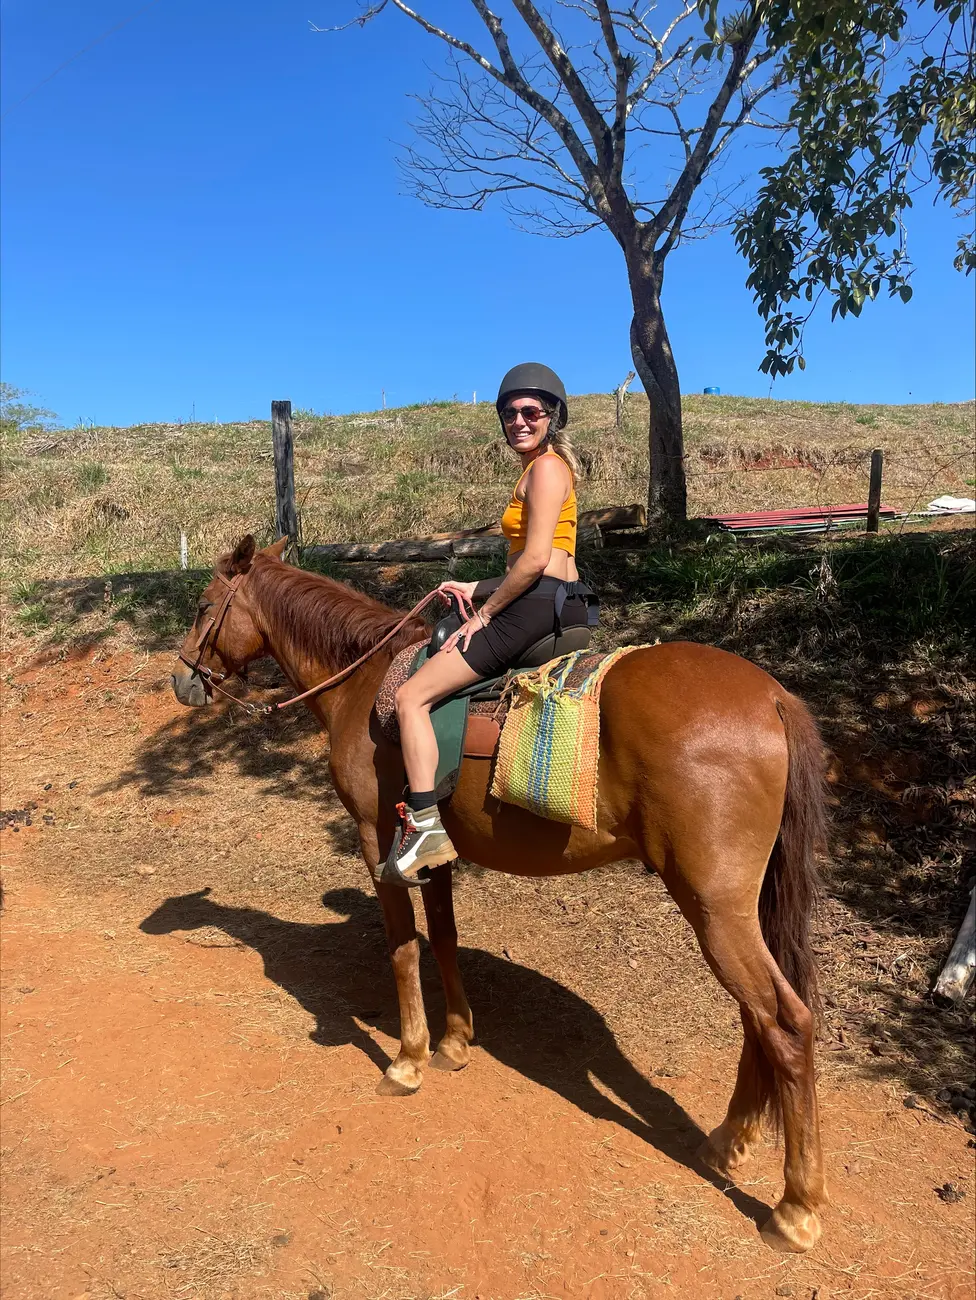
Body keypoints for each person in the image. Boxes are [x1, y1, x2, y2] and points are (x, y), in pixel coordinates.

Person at [389, 363, 596, 885]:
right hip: (564, 600)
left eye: (531, 411)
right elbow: (541, 563)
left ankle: (425, 829)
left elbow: (532, 563)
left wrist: (480, 616)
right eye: (510, 413)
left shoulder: (546, 469)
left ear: (553, 416)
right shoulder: (542, 469)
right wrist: (473, 587)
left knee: (410, 697)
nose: (519, 421)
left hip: (537, 603)